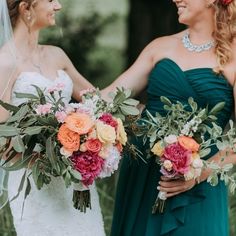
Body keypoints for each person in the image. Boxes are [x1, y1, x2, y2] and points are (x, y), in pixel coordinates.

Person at [102, 0, 236, 235]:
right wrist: (53, 106)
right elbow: (108, 98)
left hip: (199, 183)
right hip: (143, 175)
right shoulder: (160, 47)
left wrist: (198, 173)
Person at [0, 0, 105, 235]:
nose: (57, 6)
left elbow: (97, 103)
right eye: (50, 1)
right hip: (36, 184)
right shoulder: (5, 62)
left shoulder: (57, 55)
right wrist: (47, 151)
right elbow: (2, 137)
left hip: (76, 182)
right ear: (26, 8)